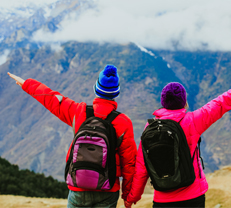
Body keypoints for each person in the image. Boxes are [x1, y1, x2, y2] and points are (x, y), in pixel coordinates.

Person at [125, 62, 231, 208]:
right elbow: (224, 101)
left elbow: (142, 166)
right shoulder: (194, 120)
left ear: (163, 102)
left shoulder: (150, 127)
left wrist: (133, 197)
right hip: (192, 197)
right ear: (184, 102)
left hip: (162, 200)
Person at [8, 65, 137, 208]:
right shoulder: (123, 122)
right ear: (116, 92)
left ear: (96, 89)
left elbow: (52, 98)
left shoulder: (79, 112)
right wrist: (128, 195)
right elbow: (129, 164)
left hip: (78, 186)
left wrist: (27, 84)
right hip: (108, 189)